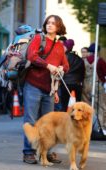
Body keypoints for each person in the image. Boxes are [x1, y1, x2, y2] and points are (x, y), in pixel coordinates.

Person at [23, 15, 69, 164]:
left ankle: (46, 153)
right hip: (33, 85)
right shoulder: (38, 39)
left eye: (53, 24)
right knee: (31, 120)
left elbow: (66, 66)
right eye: (48, 23)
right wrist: (48, 65)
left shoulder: (60, 46)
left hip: (49, 90)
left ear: (58, 27)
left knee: (48, 123)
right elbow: (32, 56)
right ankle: (28, 153)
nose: (49, 25)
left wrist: (61, 68)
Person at [60, 39, 85, 111]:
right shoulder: (79, 58)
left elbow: (61, 70)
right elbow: (83, 72)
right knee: (78, 105)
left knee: (64, 105)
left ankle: (64, 120)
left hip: (65, 83)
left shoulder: (64, 57)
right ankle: (77, 120)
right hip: (77, 84)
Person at [97, 57, 106, 129]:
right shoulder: (101, 60)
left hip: (102, 84)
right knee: (102, 105)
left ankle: (101, 124)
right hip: (102, 84)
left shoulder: (101, 61)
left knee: (102, 105)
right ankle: (102, 124)